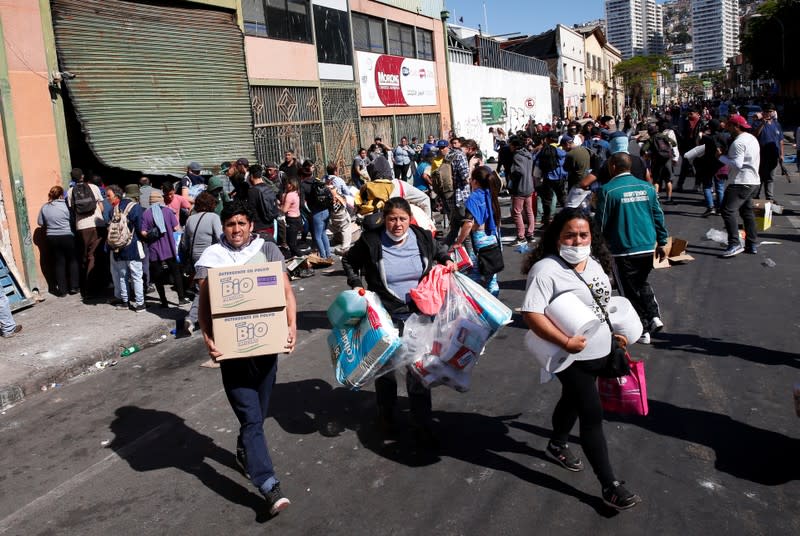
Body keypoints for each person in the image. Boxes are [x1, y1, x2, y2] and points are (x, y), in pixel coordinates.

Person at [520, 207, 640, 511]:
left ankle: (557, 443)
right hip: (569, 356)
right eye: (570, 235)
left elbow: (604, 303)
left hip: (601, 349)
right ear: (557, 237)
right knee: (591, 413)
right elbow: (531, 314)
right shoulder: (546, 270)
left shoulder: (596, 263)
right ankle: (610, 486)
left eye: (583, 234)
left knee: (573, 401)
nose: (577, 241)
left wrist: (618, 334)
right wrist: (565, 341)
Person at [195, 200, 297, 516]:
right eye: (230, 224)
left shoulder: (268, 251)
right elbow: (204, 305)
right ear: (222, 228)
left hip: (266, 351)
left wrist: (292, 326)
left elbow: (286, 293)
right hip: (233, 354)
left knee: (258, 416)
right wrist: (209, 339)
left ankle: (244, 448)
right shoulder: (212, 258)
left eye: (241, 223)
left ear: (250, 225)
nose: (236, 230)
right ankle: (268, 485)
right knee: (252, 418)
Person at [342, 197, 452, 447]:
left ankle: (422, 423)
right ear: (385, 219)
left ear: (410, 219)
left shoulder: (422, 236)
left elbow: (439, 250)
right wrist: (357, 285)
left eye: (403, 219)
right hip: (385, 316)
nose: (397, 224)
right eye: (392, 219)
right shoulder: (371, 241)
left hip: (418, 315)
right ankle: (387, 416)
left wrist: (446, 260)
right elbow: (349, 261)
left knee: (419, 371)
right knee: (386, 371)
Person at [594, 153, 668, 345]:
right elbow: (658, 216)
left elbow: (600, 224)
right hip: (647, 245)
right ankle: (653, 315)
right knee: (641, 282)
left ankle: (642, 329)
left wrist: (596, 248)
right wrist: (661, 241)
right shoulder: (647, 187)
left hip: (622, 249)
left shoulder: (608, 191)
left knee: (628, 290)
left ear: (612, 167)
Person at [450, 166, 502, 296]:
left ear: (475, 181)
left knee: (475, 274)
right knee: (491, 276)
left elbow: (468, 224)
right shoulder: (491, 193)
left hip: (478, 240)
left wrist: (458, 241)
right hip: (493, 236)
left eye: (471, 179)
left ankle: (479, 309)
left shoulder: (474, 198)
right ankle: (495, 307)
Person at [717, 114, 761, 257]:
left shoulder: (739, 142)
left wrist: (721, 157)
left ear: (736, 126)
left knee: (727, 210)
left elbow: (737, 164)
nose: (727, 128)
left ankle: (734, 243)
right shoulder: (751, 138)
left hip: (741, 182)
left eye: (729, 126)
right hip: (753, 181)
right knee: (746, 212)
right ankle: (752, 243)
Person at [180, 191, 222, 335]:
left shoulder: (190, 219)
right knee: (203, 290)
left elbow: (184, 243)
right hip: (209, 258)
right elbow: (220, 237)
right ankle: (191, 319)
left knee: (206, 288)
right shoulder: (213, 217)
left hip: (195, 259)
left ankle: (209, 316)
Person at [141, 189, 190, 307]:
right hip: (169, 246)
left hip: (154, 248)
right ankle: (181, 299)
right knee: (176, 272)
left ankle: (163, 302)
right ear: (160, 199)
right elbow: (176, 228)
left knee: (157, 276)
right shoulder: (168, 211)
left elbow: (143, 232)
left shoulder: (146, 213)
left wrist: (151, 234)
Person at [104, 185, 146, 312]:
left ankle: (125, 302)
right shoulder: (135, 207)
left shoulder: (112, 211)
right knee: (136, 276)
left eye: (108, 196)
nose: (107, 199)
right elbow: (139, 227)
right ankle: (140, 304)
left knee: (122, 276)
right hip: (132, 246)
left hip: (118, 248)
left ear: (116, 196)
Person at [66, 167, 106, 298]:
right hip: (97, 224)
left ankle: (87, 285)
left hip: (81, 227)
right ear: (82, 176)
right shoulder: (94, 187)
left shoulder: (71, 191)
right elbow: (101, 206)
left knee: (85, 256)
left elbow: (72, 209)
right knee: (95, 255)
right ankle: (93, 286)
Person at [37, 185, 80, 297]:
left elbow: (40, 223)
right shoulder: (67, 206)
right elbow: (73, 220)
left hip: (52, 237)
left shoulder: (45, 207)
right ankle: (74, 287)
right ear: (61, 195)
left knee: (58, 262)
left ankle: (62, 290)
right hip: (67, 235)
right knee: (72, 261)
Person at [299, 160, 334, 263]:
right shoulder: (317, 180)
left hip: (316, 212)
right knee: (323, 233)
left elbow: (301, 203)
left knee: (317, 236)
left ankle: (323, 256)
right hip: (326, 210)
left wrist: (308, 212)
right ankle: (328, 255)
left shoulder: (303, 185)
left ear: (302, 175)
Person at [751, 104, 783, 203]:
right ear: (763, 112)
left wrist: (782, 154)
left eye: (771, 111)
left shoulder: (777, 124)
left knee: (770, 178)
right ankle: (756, 196)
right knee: (760, 177)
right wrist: (762, 124)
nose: (769, 113)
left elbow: (780, 140)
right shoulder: (757, 123)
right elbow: (754, 135)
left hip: (774, 156)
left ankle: (769, 198)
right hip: (761, 156)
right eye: (767, 111)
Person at [508, 136, 536, 245]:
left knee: (517, 212)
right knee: (529, 210)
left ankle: (521, 236)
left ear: (514, 146)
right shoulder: (528, 154)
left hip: (520, 188)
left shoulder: (517, 156)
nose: (509, 147)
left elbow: (518, 172)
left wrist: (511, 179)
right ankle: (530, 233)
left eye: (510, 145)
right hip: (529, 186)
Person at [323, 163, 353, 255]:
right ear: (335, 171)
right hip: (338, 206)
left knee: (333, 224)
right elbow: (347, 192)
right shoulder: (339, 180)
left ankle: (335, 239)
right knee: (346, 226)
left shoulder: (323, 179)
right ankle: (345, 247)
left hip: (328, 207)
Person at [246, 164, 280, 239]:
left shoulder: (252, 191)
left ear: (251, 176)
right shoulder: (269, 188)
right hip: (271, 225)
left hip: (258, 228)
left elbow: (250, 210)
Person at [281, 178, 304, 258]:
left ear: (292, 185)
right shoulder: (296, 193)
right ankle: (294, 257)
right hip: (297, 218)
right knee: (293, 241)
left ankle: (302, 257)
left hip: (291, 220)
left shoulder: (290, 195)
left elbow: (284, 209)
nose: (287, 185)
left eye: (289, 184)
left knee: (291, 243)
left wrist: (277, 206)